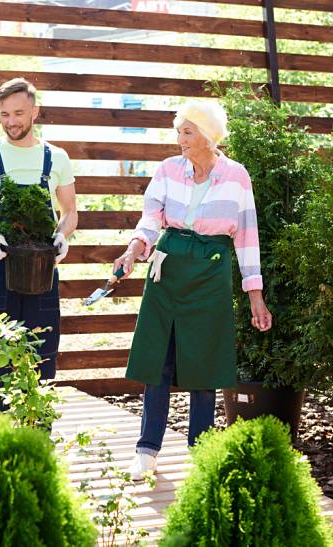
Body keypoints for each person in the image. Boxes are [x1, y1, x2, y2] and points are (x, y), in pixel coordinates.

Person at [113, 100, 272, 480]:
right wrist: (135, 249)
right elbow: (150, 218)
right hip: (167, 271)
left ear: (208, 136)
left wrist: (255, 295)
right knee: (157, 362)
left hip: (210, 272)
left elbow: (247, 236)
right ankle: (146, 452)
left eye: (187, 132)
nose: (180, 139)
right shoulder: (168, 170)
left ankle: (201, 453)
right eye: (179, 131)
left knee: (205, 365)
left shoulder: (237, 177)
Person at [0, 77, 78, 404]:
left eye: (18, 113)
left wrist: (62, 235)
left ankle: (37, 437)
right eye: (4, 114)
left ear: (35, 111)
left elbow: (70, 212)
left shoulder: (56, 158)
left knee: (42, 358)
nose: (11, 121)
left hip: (41, 273)